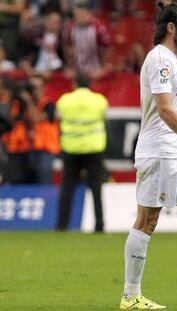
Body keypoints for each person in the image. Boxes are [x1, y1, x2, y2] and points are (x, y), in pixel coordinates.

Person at [120, 2, 177, 309]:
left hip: (174, 152)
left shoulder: (171, 59)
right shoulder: (160, 58)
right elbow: (164, 108)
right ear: (171, 28)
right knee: (147, 221)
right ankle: (130, 295)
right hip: (159, 152)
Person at [56, 74, 108, 232]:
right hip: (93, 148)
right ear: (90, 84)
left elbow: (60, 117)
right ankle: (99, 225)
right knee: (96, 189)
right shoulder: (99, 100)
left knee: (67, 188)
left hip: (71, 149)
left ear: (74, 84)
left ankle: (62, 225)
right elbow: (103, 117)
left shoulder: (64, 100)